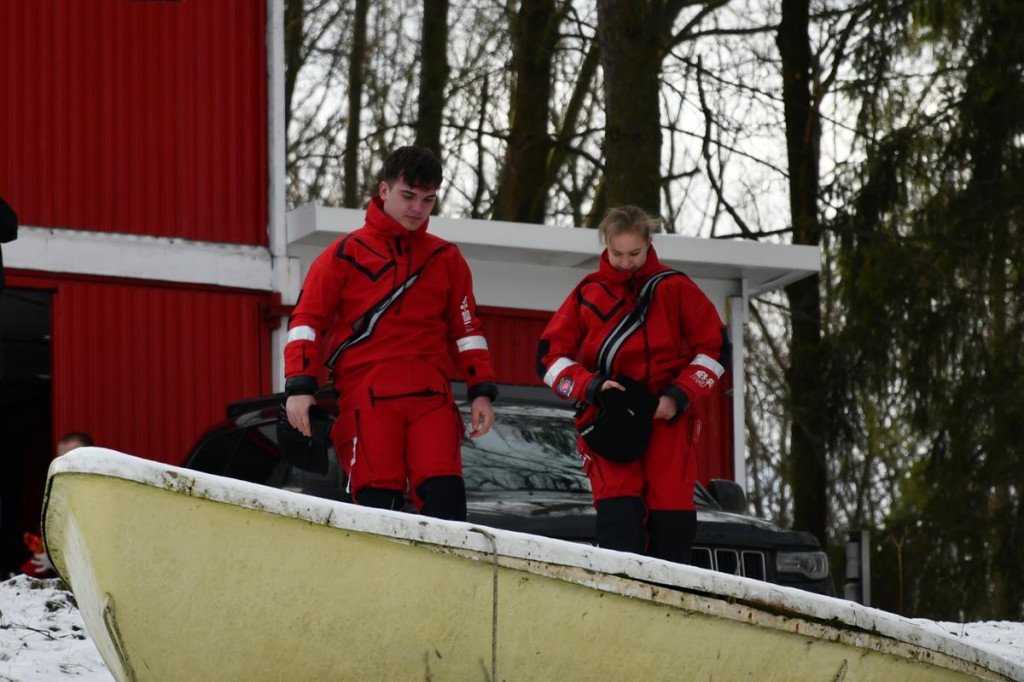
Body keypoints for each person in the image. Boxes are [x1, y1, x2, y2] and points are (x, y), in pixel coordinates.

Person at [284, 146, 498, 521]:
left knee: (446, 499)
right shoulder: (344, 254)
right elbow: (307, 320)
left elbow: (467, 331)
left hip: (431, 396)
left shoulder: (446, 258)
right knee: (377, 506)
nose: (417, 208)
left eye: (428, 199)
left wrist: (481, 390)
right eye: (408, 195)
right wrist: (300, 387)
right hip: (368, 397)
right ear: (384, 191)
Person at [536, 205, 731, 563]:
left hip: (666, 419)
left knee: (671, 520)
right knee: (619, 520)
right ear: (605, 246)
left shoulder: (676, 288)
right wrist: (590, 386)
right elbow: (549, 357)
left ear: (650, 244)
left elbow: (716, 349)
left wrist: (678, 395)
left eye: (635, 254)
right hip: (610, 417)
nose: (626, 263)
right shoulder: (588, 292)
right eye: (617, 254)